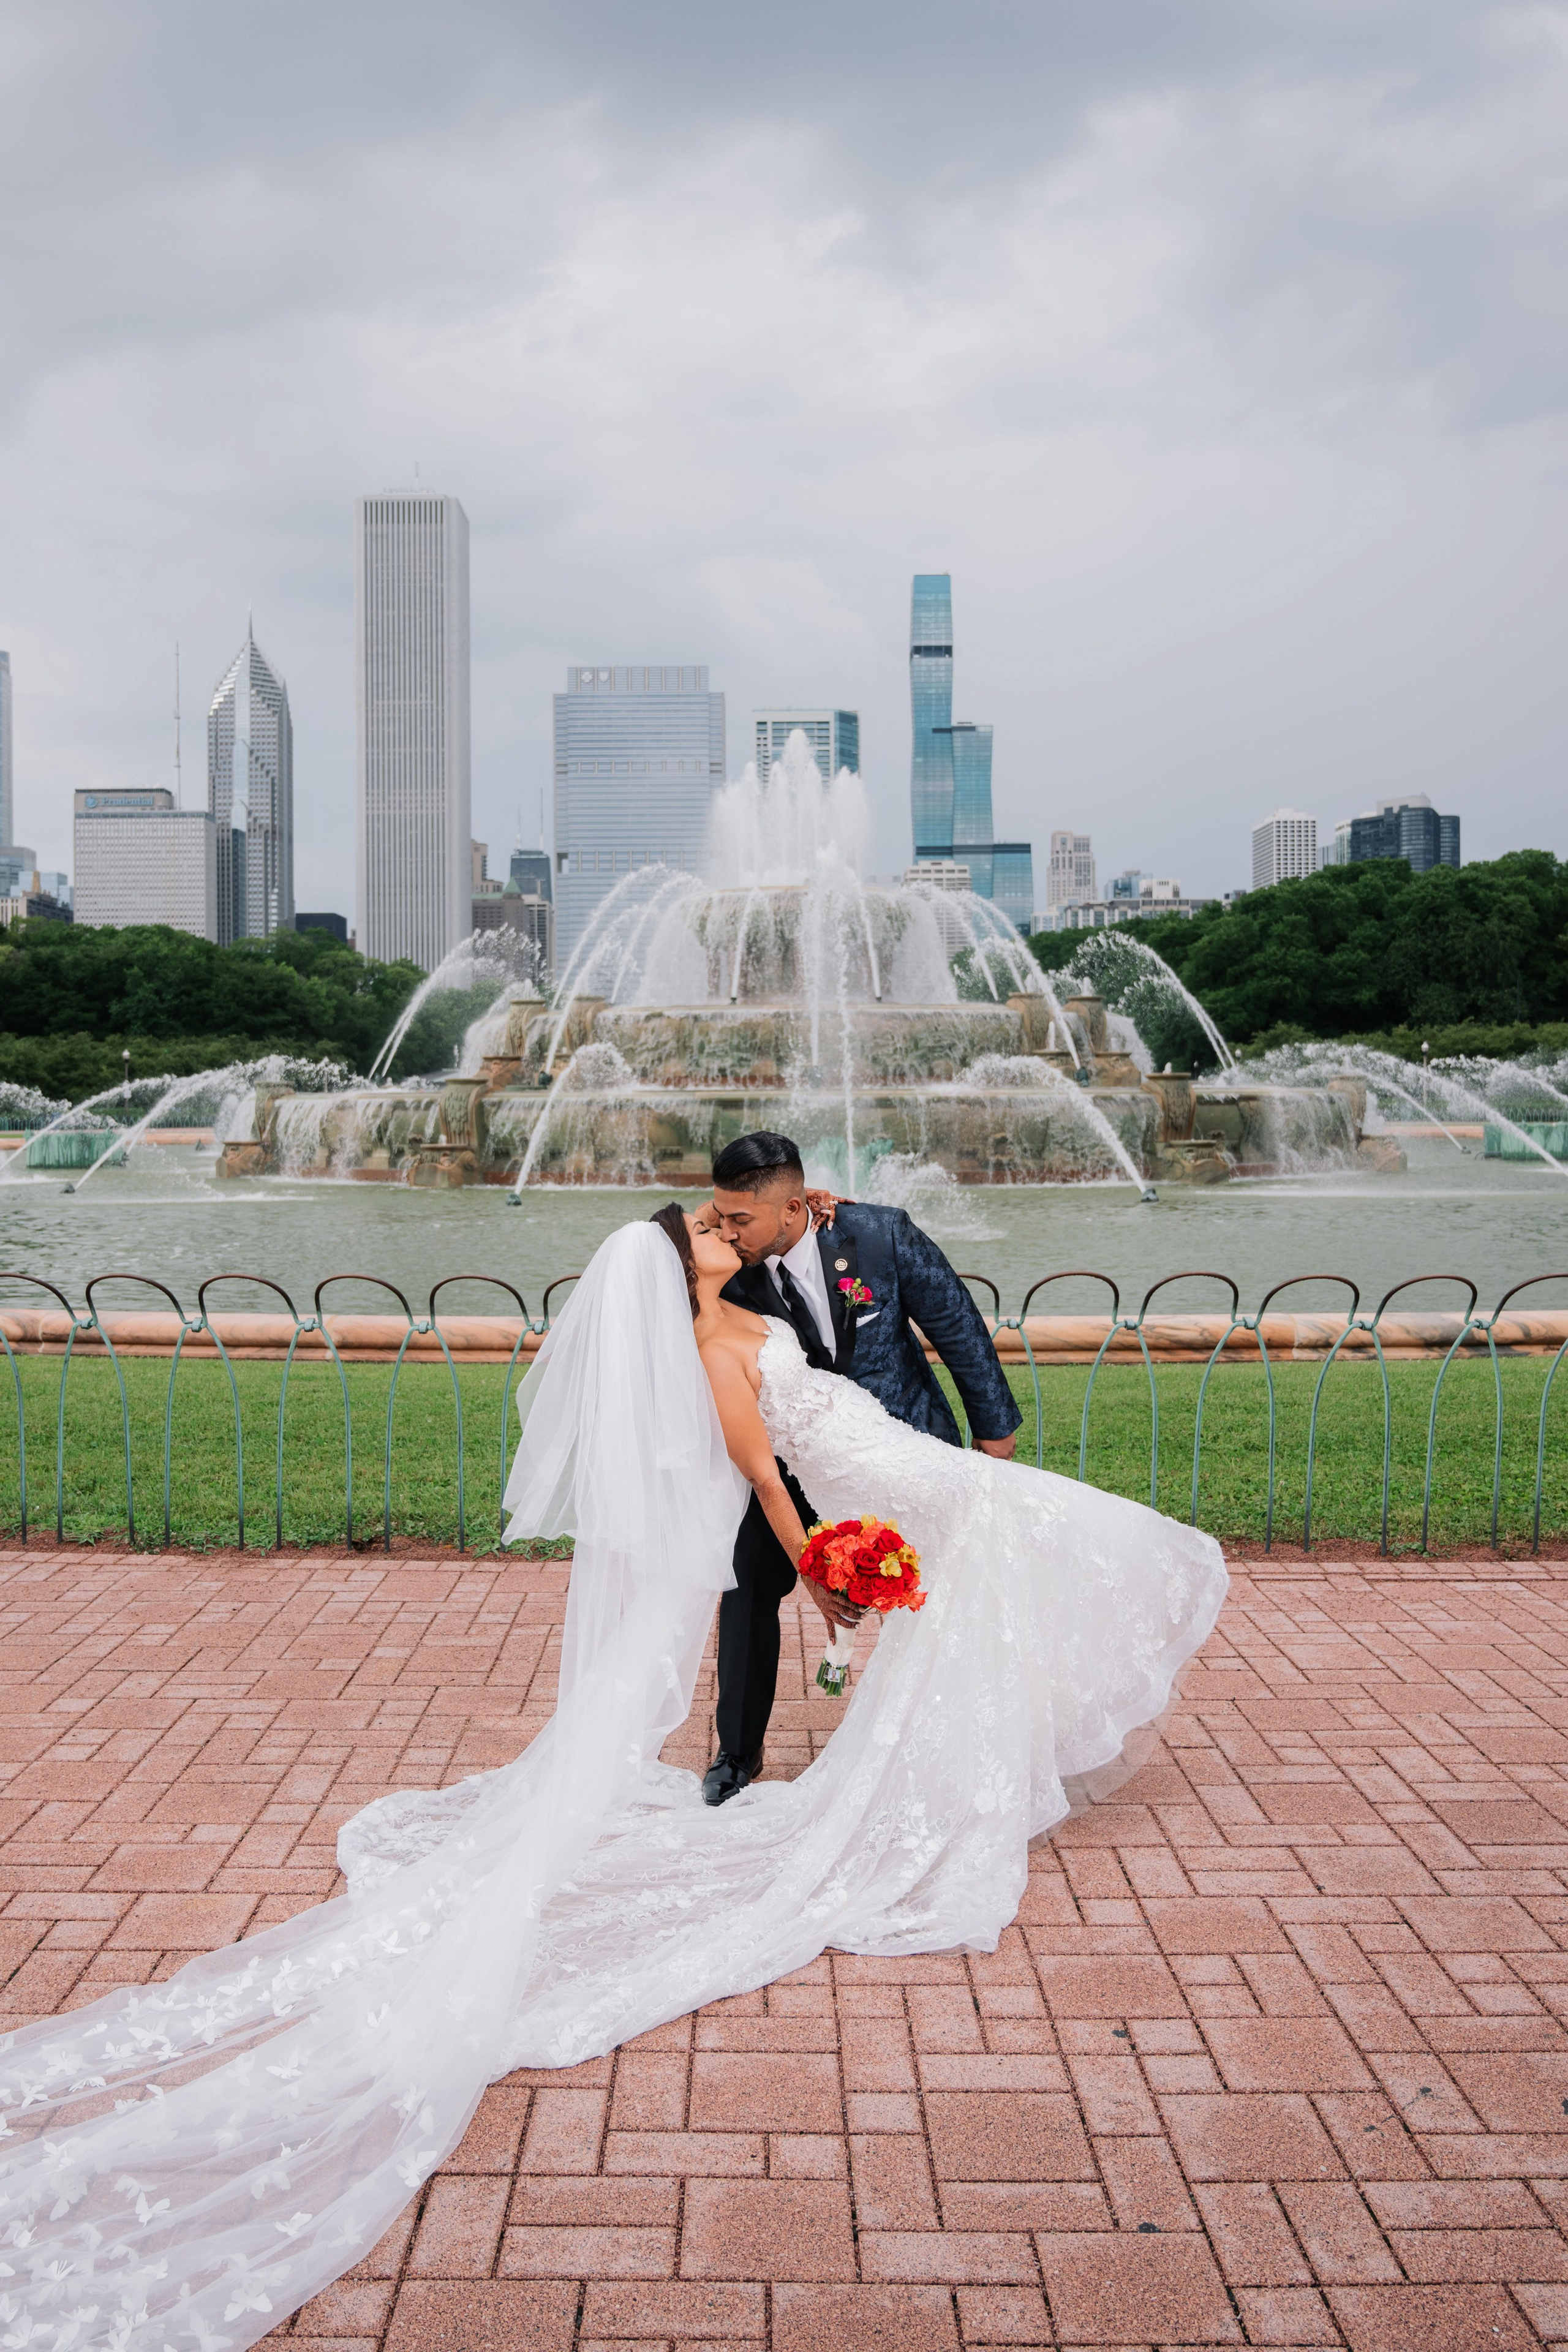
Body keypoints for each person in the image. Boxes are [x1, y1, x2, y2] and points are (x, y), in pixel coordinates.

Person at [0, 1213, 1225, 2352]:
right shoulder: (707, 1343)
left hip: (899, 1462)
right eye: (704, 1227)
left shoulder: (748, 1310)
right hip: (877, 1487)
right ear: (671, 1270)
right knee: (1060, 1548)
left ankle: (967, 1764)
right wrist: (817, 1567)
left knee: (1036, 1556)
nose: (725, 1225)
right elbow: (757, 1468)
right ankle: (948, 1782)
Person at [703, 1129, 1022, 1803]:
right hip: (788, 1459)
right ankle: (736, 1754)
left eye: (742, 1219)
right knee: (748, 1583)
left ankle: (967, 1747)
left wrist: (995, 1439)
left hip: (895, 1449)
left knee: (948, 1595)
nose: (729, 1233)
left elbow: (958, 1330)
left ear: (794, 1209)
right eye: (720, 1219)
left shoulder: (879, 1235)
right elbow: (660, 1248)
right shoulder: (722, 1263)